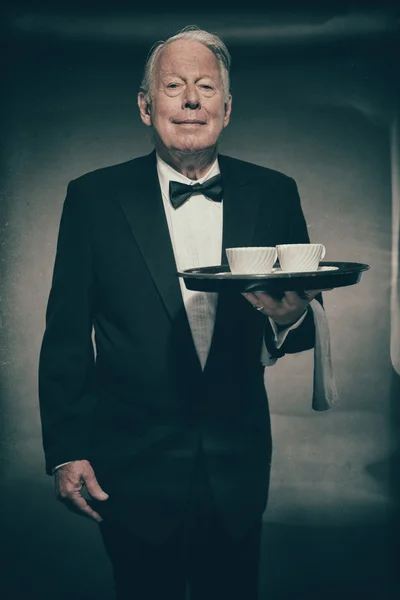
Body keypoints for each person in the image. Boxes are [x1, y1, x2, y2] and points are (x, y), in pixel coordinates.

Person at [38, 25, 325, 600]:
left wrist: (289, 320)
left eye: (205, 86)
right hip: (130, 467)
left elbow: (301, 321)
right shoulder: (92, 198)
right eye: (173, 86)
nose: (191, 99)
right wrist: (66, 449)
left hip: (237, 460)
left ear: (227, 106)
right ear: (146, 107)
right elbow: (67, 333)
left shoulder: (276, 192)